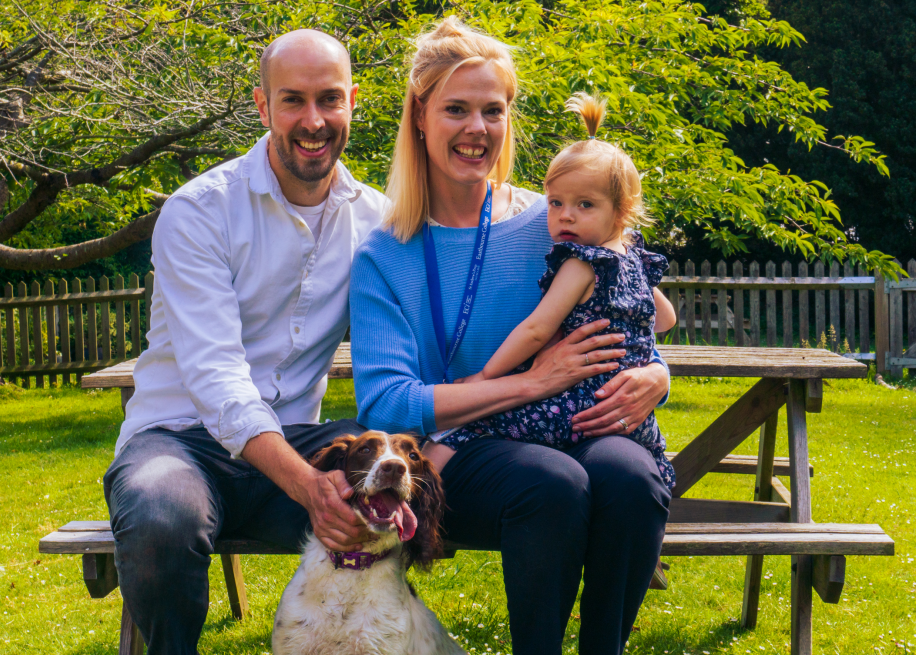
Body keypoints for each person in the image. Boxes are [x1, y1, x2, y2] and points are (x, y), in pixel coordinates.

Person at [349, 17, 672, 655]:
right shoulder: (384, 255)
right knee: (553, 484)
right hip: (460, 452)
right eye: (457, 110)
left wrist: (657, 376)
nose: (477, 130)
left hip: (575, 421)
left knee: (631, 480)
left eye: (492, 111)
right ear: (420, 116)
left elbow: (634, 313)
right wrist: (529, 381)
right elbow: (386, 405)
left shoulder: (556, 218)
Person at [103, 30, 388, 654]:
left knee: (390, 478)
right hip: (180, 440)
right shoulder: (200, 211)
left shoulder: (377, 220)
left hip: (293, 438)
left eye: (329, 100)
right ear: (262, 106)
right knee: (161, 517)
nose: (312, 122)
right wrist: (309, 485)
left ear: (352, 103)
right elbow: (216, 377)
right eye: (293, 101)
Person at [441, 92, 679, 490]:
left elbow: (536, 330)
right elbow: (666, 319)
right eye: (555, 202)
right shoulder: (633, 256)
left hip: (573, 405)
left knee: (464, 429)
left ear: (621, 212)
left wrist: (484, 377)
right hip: (627, 413)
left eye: (585, 204)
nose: (565, 215)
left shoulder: (582, 263)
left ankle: (422, 505)